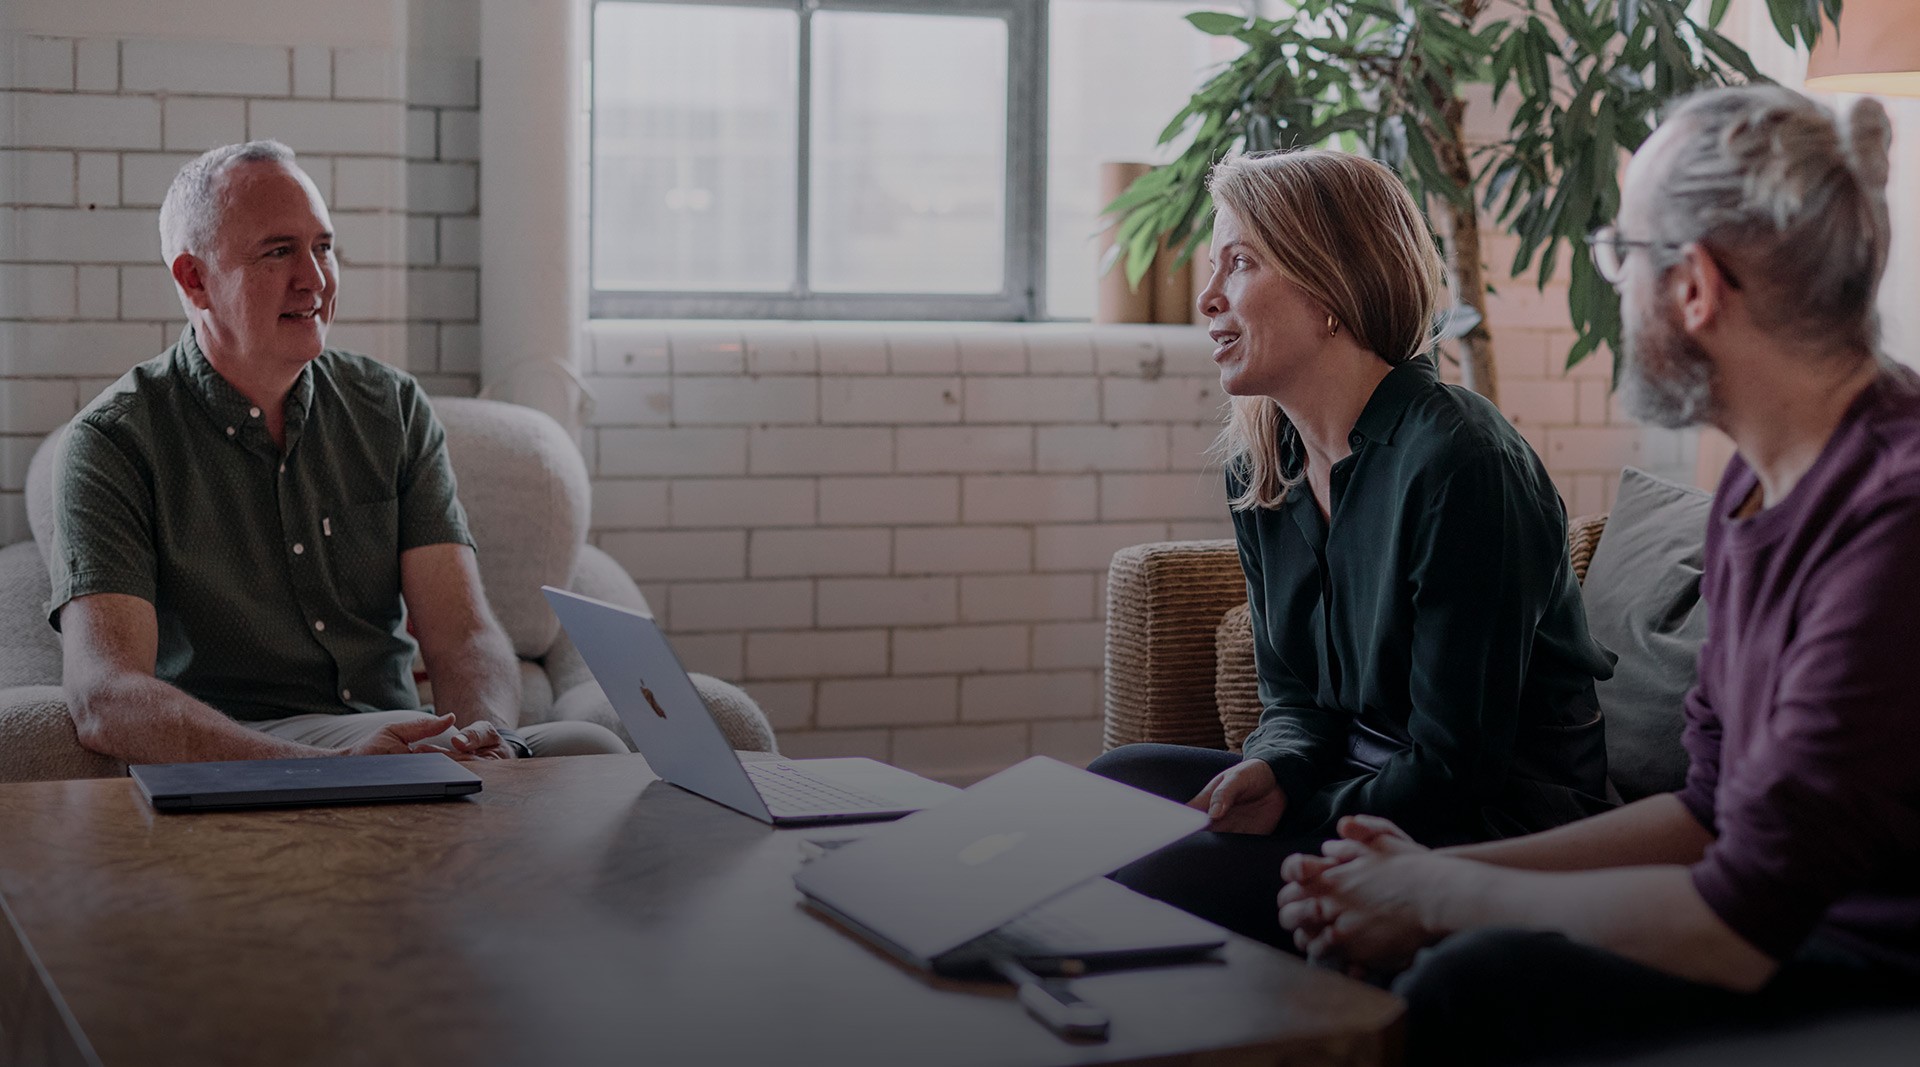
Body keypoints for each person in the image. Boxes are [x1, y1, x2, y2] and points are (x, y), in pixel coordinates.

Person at [1278, 86, 1920, 1064]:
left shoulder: (1895, 519)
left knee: (1469, 980)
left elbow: (1738, 918)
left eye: (1623, 255)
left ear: (1694, 287)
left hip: (1874, 965)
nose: (1616, 287)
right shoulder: (1760, 479)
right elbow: (1707, 810)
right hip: (1794, 934)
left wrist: (1439, 893)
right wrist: (1415, 868)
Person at [1087, 149, 1616, 947]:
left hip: (1487, 823)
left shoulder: (1460, 460)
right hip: (1352, 788)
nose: (1207, 298)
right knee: (1111, 795)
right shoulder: (1263, 463)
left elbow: (1455, 766)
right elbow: (1293, 701)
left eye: (1240, 262)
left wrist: (1297, 806)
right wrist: (1276, 768)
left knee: (1152, 870)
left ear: (1330, 287)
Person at [51, 140, 629, 763]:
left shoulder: (391, 408)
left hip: (397, 737)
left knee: (589, 748)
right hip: (247, 751)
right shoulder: (114, 441)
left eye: (323, 247)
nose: (316, 279)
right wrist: (326, 772)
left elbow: (462, 635)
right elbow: (104, 696)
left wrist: (486, 745)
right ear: (196, 280)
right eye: (279, 252)